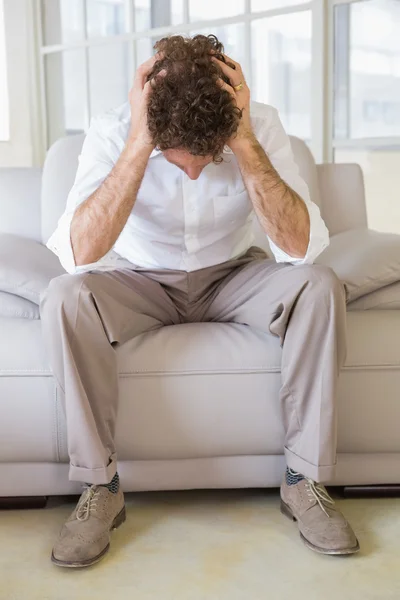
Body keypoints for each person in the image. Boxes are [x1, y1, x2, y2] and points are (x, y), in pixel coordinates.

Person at [41, 34, 359, 569]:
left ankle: (303, 480)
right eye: (177, 160)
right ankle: (102, 488)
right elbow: (78, 254)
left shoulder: (257, 124)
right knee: (65, 297)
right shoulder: (115, 129)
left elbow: (303, 248)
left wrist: (244, 145)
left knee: (319, 285)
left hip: (234, 275)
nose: (191, 173)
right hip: (140, 281)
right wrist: (141, 144)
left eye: (205, 161)